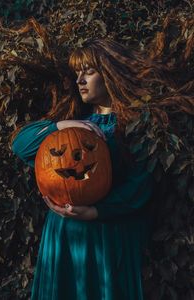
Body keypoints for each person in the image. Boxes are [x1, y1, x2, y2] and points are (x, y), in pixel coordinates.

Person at [11, 39, 155, 300]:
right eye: (77, 73)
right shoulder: (75, 123)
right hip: (64, 234)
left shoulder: (135, 125)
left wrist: (96, 211)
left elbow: (142, 184)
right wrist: (61, 126)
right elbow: (21, 145)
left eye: (89, 71)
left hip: (106, 234)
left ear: (109, 73)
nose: (80, 80)